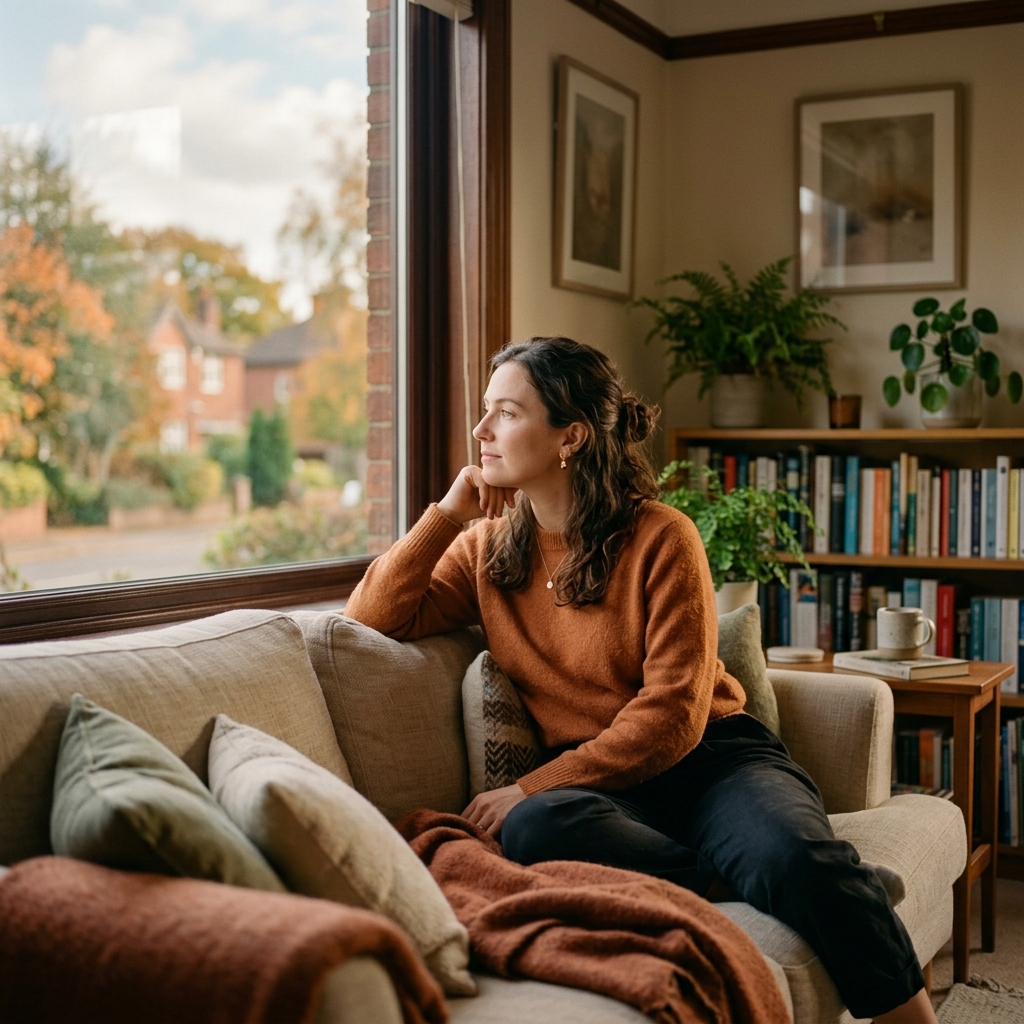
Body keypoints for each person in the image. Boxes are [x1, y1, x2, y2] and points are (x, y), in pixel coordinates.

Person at [345, 336, 937, 1024]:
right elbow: (371, 617)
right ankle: (740, 875)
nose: (480, 431)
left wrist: (533, 780)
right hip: (604, 793)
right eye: (485, 412)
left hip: (712, 761)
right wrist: (447, 515)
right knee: (534, 828)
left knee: (793, 858)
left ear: (569, 437)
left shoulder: (663, 537)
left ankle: (845, 934)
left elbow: (672, 716)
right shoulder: (485, 551)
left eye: (505, 413)